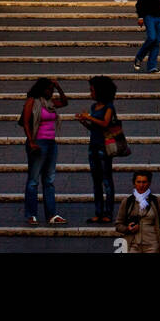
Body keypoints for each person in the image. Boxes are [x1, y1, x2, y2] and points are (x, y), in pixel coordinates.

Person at [20, 76, 68, 225]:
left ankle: (51, 214)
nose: (51, 92)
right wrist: (32, 142)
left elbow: (65, 102)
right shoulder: (32, 102)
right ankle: (31, 215)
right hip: (38, 143)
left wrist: (58, 86)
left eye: (52, 90)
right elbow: (26, 123)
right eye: (48, 89)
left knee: (49, 180)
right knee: (33, 180)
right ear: (41, 89)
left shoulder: (50, 103)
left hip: (51, 143)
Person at [76, 75, 118, 224]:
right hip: (93, 146)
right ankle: (98, 212)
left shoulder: (109, 107)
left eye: (92, 90)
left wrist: (89, 117)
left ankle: (108, 213)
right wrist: (84, 122)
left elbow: (105, 123)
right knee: (96, 181)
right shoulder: (94, 107)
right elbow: (95, 127)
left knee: (107, 180)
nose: (90, 93)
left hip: (104, 147)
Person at [115, 170, 160, 253]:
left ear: (149, 183)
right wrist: (128, 229)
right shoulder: (127, 202)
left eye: (144, 182)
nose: (141, 185)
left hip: (152, 244)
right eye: (138, 182)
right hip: (132, 244)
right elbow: (118, 225)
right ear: (134, 183)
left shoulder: (156, 202)